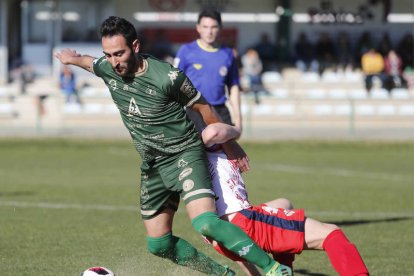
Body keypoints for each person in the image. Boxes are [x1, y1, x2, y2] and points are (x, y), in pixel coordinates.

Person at [54, 16, 290, 276]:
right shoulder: (108, 67)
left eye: (119, 54)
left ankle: (274, 269)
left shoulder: (168, 76)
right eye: (108, 55)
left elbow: (203, 108)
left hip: (184, 154)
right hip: (152, 164)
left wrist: (230, 144)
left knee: (206, 223)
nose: (113, 62)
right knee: (159, 244)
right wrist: (71, 59)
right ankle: (222, 274)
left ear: (134, 46)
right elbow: (91, 63)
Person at [198, 122, 370, 276]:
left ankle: (284, 271)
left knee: (284, 203)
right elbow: (213, 131)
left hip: (221, 235)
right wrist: (237, 129)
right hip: (242, 224)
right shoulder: (200, 140)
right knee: (332, 234)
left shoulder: (181, 155)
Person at [174, 9, 242, 137]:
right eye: (205, 27)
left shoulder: (227, 54)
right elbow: (173, 83)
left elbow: (233, 87)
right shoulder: (186, 51)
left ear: (220, 28)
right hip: (194, 110)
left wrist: (238, 120)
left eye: (214, 27)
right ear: (198, 28)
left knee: (230, 153)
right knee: (198, 154)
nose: (209, 32)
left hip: (220, 110)